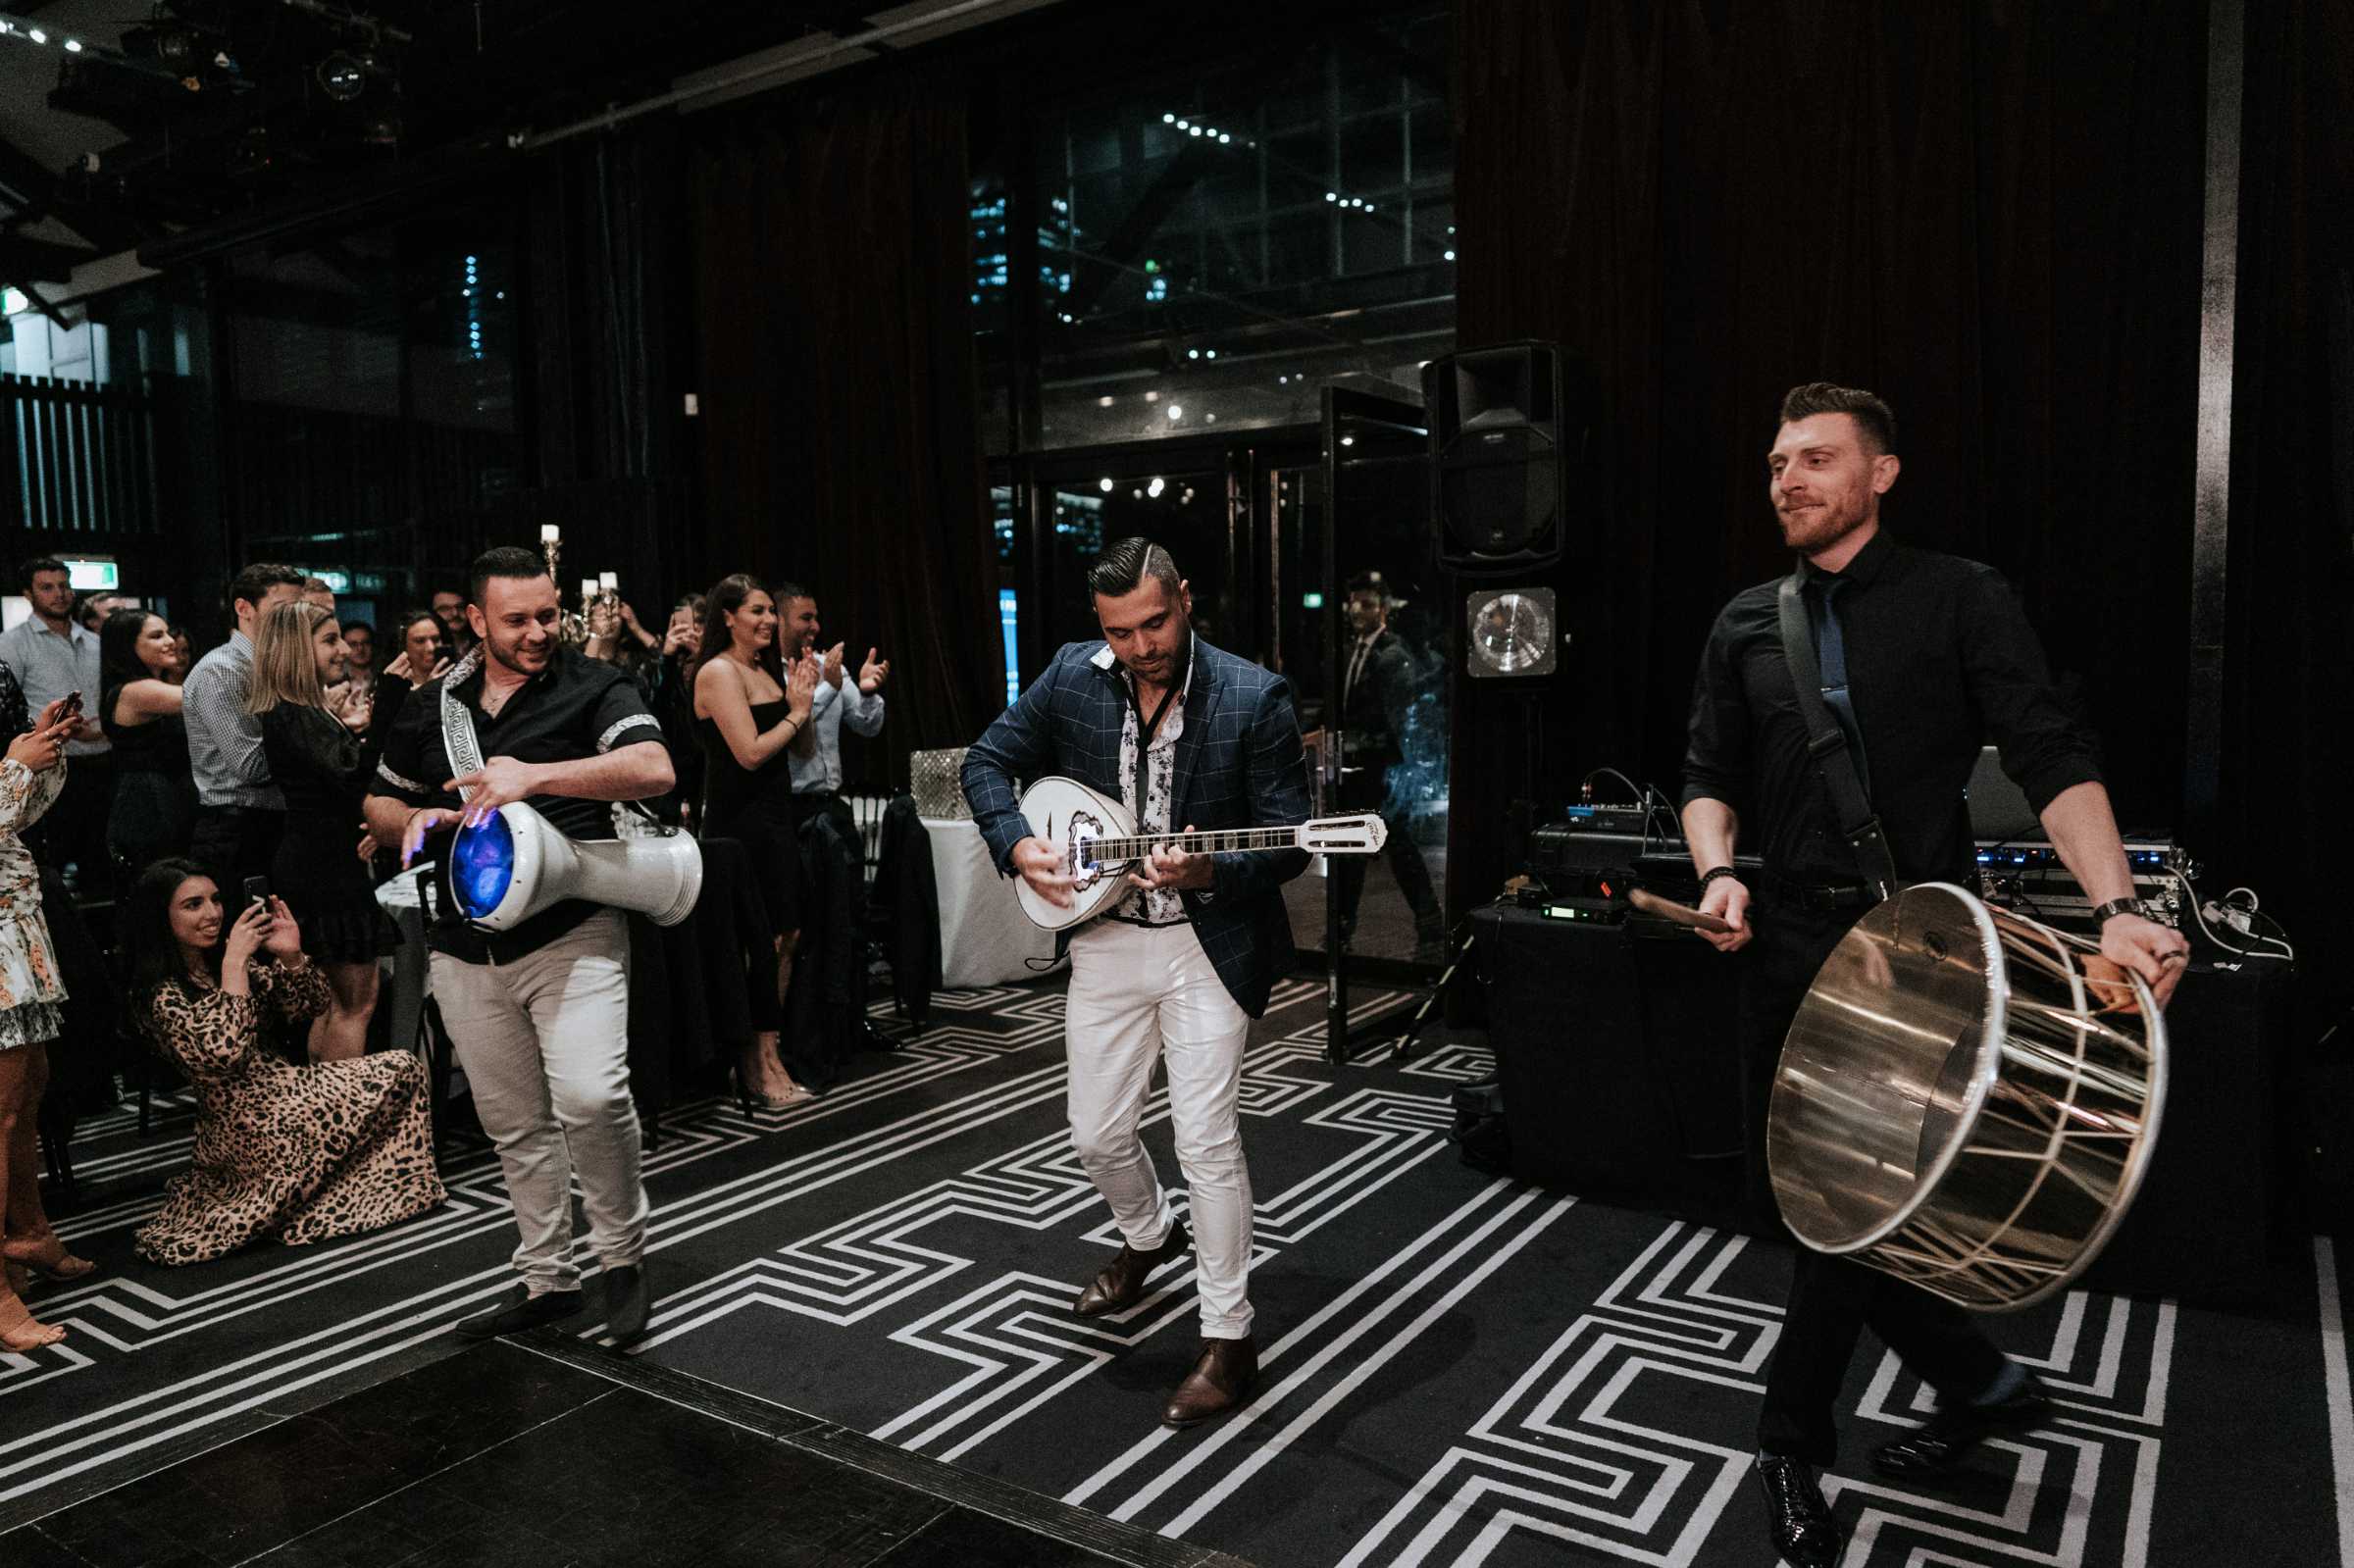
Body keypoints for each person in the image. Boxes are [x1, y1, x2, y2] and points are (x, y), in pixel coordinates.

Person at [1677, 383, 2192, 1567]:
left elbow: (2052, 753)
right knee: (1806, 1206)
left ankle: (1788, 1446)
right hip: (1788, 947)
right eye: (1775, 463)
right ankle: (1985, 1385)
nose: (1788, 480)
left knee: (1845, 1218)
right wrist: (1716, 873)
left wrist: (2118, 908)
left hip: (1922, 958)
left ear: (1882, 472)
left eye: (1814, 458)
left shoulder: (1962, 596)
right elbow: (1708, 770)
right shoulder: (1747, 621)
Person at [962, 536, 1311, 1429]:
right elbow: (984, 763)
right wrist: (1016, 843)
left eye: (1155, 622)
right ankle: (1152, 1236)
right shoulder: (1070, 676)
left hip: (1208, 941)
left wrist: (1208, 873)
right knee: (1095, 1133)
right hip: (1108, 937)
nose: (1142, 645)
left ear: (1185, 597)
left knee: (1206, 1138)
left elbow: (1289, 841)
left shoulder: (1252, 694)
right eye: (1122, 632)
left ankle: (1230, 1336)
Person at [363, 546, 674, 1345]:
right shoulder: (431, 706)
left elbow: (653, 767)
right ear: (476, 620)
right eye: (517, 619)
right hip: (462, 943)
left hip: (574, 926)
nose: (538, 631)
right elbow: (378, 803)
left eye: (547, 614)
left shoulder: (595, 684)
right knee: (514, 1122)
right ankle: (546, 1279)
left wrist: (534, 777)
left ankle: (622, 1257)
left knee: (593, 1097)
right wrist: (417, 820)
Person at [122, 859, 441, 1266]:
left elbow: (309, 1004)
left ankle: (359, 1190)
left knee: (401, 1066)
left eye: (216, 900)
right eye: (193, 905)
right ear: (161, 918)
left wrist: (291, 956)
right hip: (241, 1123)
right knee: (392, 1071)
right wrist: (234, 963)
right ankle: (315, 1196)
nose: (212, 914)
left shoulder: (220, 963)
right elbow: (225, 1052)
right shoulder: (160, 993)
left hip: (285, 1087)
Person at [691, 575, 822, 1109]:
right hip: (739, 826)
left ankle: (771, 1048)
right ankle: (751, 1059)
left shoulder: (764, 670)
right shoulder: (718, 672)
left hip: (776, 818)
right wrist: (793, 713)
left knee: (787, 936)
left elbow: (802, 748)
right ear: (728, 616)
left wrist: (804, 699)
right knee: (759, 944)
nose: (769, 620)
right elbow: (747, 753)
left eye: (771, 611)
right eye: (758, 611)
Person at [252, 601, 394, 1062]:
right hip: (325, 866)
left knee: (330, 1005)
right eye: (330, 640)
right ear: (298, 648)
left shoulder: (296, 708)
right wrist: (391, 702)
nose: (343, 651)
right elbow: (353, 777)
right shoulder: (295, 711)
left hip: (317, 858)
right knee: (355, 1004)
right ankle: (346, 1119)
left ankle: (326, 1114)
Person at [0, 669, 90, 1349]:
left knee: (27, 1093)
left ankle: (28, 1229)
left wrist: (43, 753)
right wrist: (14, 765)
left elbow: (16, 816)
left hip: (13, 925)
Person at [1325, 571, 1443, 953]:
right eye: (1355, 602)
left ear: (1384, 609)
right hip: (1359, 770)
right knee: (1361, 851)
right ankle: (1347, 930)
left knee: (1396, 849)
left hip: (1383, 770)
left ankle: (1428, 926)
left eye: (1368, 604)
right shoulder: (1353, 651)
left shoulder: (1392, 655)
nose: (1358, 610)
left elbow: (1397, 718)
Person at [184, 563, 308, 891]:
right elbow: (251, 768)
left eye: (298, 610)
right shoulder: (222, 671)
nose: (293, 621)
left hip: (274, 822)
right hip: (237, 827)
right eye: (282, 610)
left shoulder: (275, 665)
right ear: (244, 608)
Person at [0, 557, 112, 885]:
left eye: (63, 585)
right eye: (47, 587)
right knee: (54, 861)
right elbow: (9, 710)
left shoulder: (95, 641)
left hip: (102, 759)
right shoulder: (12, 643)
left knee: (101, 863)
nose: (58, 594)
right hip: (50, 766)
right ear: (28, 594)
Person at [774, 584, 889, 828]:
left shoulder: (830, 666)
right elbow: (793, 721)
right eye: (806, 618)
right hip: (789, 810)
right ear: (779, 621)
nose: (815, 627)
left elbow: (867, 726)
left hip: (832, 803)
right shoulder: (769, 674)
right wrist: (829, 688)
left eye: (816, 618)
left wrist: (868, 693)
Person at [100, 610, 197, 875]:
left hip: (161, 794)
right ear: (127, 646)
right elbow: (211, 695)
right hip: (147, 800)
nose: (170, 641)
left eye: (167, 633)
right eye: (157, 636)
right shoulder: (136, 690)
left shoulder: (148, 685)